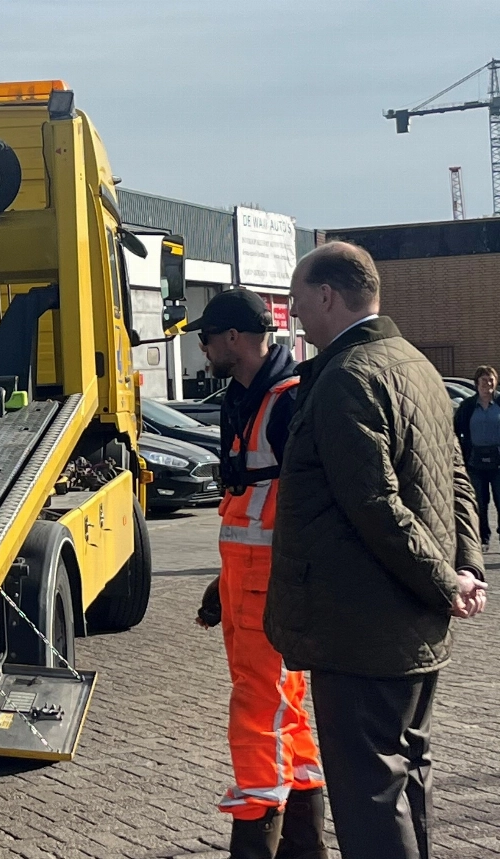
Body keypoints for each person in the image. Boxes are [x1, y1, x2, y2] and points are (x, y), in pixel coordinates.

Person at [265, 241, 488, 859]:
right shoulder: (413, 363)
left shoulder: (346, 378)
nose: (295, 313)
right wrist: (464, 567)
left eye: (298, 298)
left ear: (328, 295)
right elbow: (456, 477)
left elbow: (375, 507)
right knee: (406, 771)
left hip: (361, 627)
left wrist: (449, 579)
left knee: (369, 793)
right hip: (412, 621)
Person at [186, 289, 327, 859]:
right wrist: (219, 587)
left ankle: (255, 842)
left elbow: (302, 509)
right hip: (245, 587)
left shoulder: (288, 402)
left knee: (255, 713)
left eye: (208, 336)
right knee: (284, 713)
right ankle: (304, 846)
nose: (202, 346)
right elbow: (245, 501)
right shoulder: (241, 398)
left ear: (234, 340)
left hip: (272, 593)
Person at [455, 365, 500, 547]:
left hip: (498, 462)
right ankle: (483, 537)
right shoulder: (467, 406)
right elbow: (456, 431)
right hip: (475, 461)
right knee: (479, 502)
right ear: (476, 383)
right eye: (483, 380)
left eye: (490, 380)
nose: (487, 384)